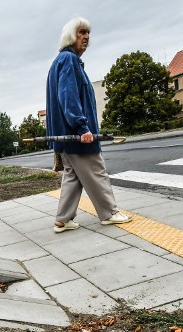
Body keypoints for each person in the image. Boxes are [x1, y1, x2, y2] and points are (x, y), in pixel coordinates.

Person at [46, 17, 132, 233]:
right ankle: (109, 213)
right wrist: (82, 128)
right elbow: (69, 97)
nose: (86, 37)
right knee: (96, 170)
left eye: (88, 33)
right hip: (77, 134)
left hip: (65, 136)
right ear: (70, 36)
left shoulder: (59, 61)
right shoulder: (69, 60)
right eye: (81, 32)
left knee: (73, 176)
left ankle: (63, 219)